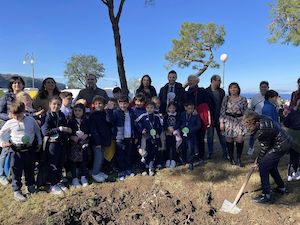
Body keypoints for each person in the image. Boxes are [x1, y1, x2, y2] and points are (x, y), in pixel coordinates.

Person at [242, 110, 291, 204]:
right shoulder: (260, 119)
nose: (248, 128)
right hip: (280, 142)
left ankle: (266, 195)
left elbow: (265, 148)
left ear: (255, 123)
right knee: (272, 167)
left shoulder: (264, 129)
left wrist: (258, 162)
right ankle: (281, 188)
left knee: (263, 167)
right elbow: (265, 146)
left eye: (249, 126)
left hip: (280, 145)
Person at [0, 101, 42, 201]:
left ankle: (30, 186)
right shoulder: (10, 122)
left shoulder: (31, 120)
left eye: (19, 115)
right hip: (16, 151)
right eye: (15, 116)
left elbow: (37, 131)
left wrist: (39, 142)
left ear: (24, 111)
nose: (17, 118)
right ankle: (17, 190)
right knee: (16, 171)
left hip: (29, 149)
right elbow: (0, 133)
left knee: (30, 169)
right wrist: (2, 143)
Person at [41, 96, 72, 194]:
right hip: (52, 144)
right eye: (54, 104)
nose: (56, 106)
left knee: (60, 162)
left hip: (61, 143)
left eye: (59, 104)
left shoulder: (61, 114)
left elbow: (64, 127)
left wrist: (68, 130)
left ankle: (58, 181)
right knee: (53, 163)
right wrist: (60, 129)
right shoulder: (47, 116)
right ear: (50, 104)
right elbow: (45, 131)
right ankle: (52, 184)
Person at [0, 76, 25, 186]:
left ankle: (18, 173)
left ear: (22, 84)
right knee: (5, 151)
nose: (17, 85)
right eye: (14, 83)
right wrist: (9, 117)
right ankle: (2, 175)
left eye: (19, 83)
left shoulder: (25, 96)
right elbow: (0, 112)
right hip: (8, 127)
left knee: (20, 150)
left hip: (21, 128)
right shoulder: (6, 97)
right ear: (11, 85)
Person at [185, 75, 213, 162]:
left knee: (200, 138)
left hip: (200, 118)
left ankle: (200, 156)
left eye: (192, 80)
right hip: (189, 118)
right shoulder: (186, 92)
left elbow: (208, 104)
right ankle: (191, 155)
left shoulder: (202, 91)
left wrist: (198, 109)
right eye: (189, 80)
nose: (190, 82)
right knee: (190, 138)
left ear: (197, 81)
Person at [220, 82, 248, 167]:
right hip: (228, 120)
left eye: (235, 87)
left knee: (239, 139)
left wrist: (246, 122)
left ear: (238, 89)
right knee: (229, 140)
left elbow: (246, 111)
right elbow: (222, 110)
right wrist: (221, 122)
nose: (233, 89)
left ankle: (239, 158)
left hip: (239, 121)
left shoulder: (243, 99)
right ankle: (231, 158)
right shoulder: (226, 98)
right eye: (231, 88)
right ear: (229, 89)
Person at [89, 95, 112, 183]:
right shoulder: (92, 115)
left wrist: (109, 111)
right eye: (96, 104)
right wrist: (97, 141)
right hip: (96, 141)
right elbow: (93, 129)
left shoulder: (105, 113)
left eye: (100, 103)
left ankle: (98, 171)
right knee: (98, 157)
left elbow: (110, 122)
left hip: (104, 139)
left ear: (104, 104)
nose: (98, 105)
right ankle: (94, 173)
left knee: (102, 156)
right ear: (93, 105)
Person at [136, 101, 162, 176]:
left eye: (151, 108)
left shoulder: (157, 116)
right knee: (144, 153)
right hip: (145, 137)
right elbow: (136, 123)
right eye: (148, 107)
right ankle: (144, 169)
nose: (150, 109)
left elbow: (160, 126)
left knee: (153, 152)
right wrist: (141, 130)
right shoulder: (143, 116)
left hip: (154, 137)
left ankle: (150, 168)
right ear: (145, 108)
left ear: (154, 108)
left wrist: (158, 133)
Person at [113, 95, 136, 180]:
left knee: (128, 154)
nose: (123, 106)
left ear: (128, 103)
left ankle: (128, 169)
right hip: (119, 137)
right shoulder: (116, 112)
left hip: (129, 136)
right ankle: (121, 171)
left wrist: (135, 135)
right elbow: (112, 123)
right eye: (121, 103)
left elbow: (134, 124)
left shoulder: (131, 111)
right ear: (118, 104)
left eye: (125, 103)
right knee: (120, 155)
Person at [67, 103, 90, 188]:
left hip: (83, 143)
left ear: (83, 111)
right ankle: (74, 178)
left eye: (79, 110)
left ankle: (83, 177)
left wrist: (86, 135)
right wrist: (72, 137)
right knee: (73, 160)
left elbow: (89, 130)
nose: (77, 112)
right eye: (75, 110)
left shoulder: (86, 120)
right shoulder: (71, 121)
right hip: (74, 144)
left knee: (84, 160)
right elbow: (68, 132)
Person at [206, 75, 227, 159]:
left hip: (220, 118)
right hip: (210, 118)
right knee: (209, 136)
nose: (220, 82)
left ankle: (225, 153)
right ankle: (210, 153)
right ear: (213, 81)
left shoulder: (221, 91)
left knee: (222, 136)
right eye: (219, 80)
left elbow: (224, 104)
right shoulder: (206, 91)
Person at [248, 81, 269, 155]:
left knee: (266, 136)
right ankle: (251, 148)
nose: (263, 88)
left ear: (268, 88)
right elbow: (250, 108)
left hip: (267, 120)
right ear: (260, 88)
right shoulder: (255, 97)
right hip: (257, 118)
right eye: (262, 87)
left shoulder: (270, 96)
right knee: (253, 134)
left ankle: (265, 150)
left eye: (265, 87)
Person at [179, 102, 201, 171]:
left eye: (192, 109)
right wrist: (182, 128)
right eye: (189, 108)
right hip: (183, 135)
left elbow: (198, 125)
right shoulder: (182, 114)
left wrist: (190, 130)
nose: (190, 110)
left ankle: (190, 162)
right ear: (186, 108)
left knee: (191, 148)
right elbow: (179, 123)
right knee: (183, 147)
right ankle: (184, 160)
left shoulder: (195, 115)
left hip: (191, 135)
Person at [283, 100, 300, 181]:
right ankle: (296, 172)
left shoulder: (292, 114)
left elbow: (285, 123)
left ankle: (290, 174)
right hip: (296, 137)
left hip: (292, 137)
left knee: (293, 156)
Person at [163, 102, 181, 168]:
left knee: (174, 147)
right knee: (168, 146)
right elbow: (164, 123)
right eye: (170, 108)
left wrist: (174, 128)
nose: (172, 109)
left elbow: (179, 123)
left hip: (175, 133)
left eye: (173, 108)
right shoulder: (166, 115)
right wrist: (167, 128)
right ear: (168, 108)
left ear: (175, 108)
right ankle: (167, 160)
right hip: (168, 133)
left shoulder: (177, 115)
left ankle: (173, 160)